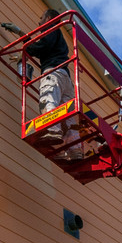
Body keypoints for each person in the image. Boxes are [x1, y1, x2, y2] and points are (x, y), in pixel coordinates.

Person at [24, 9, 80, 157]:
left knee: (48, 98)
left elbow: (42, 47)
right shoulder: (59, 37)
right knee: (67, 114)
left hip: (53, 73)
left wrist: (24, 42)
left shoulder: (51, 29)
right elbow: (44, 47)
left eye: (41, 17)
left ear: (48, 18)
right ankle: (75, 149)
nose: (39, 22)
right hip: (65, 77)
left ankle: (53, 130)